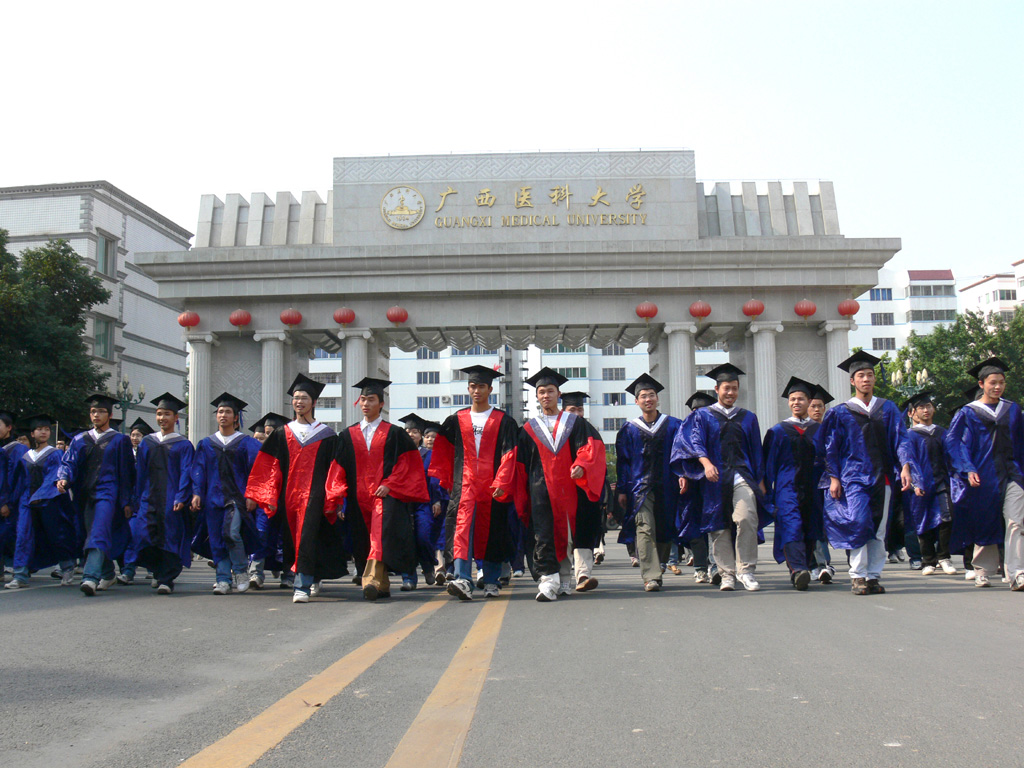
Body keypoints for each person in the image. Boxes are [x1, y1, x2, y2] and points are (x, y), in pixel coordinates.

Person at [493, 370, 605, 601]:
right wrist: (504, 482)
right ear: (537, 396)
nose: (546, 395)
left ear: (558, 394)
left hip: (571, 489)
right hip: (540, 491)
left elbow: (589, 447)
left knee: (568, 536)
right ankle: (548, 582)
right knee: (544, 535)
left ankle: (564, 579)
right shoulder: (528, 429)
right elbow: (517, 462)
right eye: (542, 392)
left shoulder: (575, 424)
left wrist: (582, 464)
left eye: (550, 391)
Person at [815, 351, 917, 595]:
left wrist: (905, 466)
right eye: (861, 375)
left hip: (883, 476)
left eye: (870, 375)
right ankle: (858, 575)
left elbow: (901, 440)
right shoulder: (841, 412)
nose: (866, 379)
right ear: (852, 381)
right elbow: (829, 447)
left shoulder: (888, 408)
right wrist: (834, 477)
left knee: (879, 529)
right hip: (853, 478)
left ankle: (873, 575)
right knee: (859, 523)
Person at [246, 375, 345, 603]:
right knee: (292, 540)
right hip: (288, 496)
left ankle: (302, 585)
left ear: (314, 402)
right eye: (296, 398)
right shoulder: (282, 433)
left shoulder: (327, 435)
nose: (299, 401)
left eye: (304, 398)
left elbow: (335, 468)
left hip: (315, 495)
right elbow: (268, 466)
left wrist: (335, 496)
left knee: (308, 535)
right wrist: (267, 494)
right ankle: (307, 576)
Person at [325, 380, 427, 601]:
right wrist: (338, 495)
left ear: (381, 404)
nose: (365, 404)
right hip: (357, 497)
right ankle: (382, 584)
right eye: (363, 399)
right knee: (361, 541)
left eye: (371, 400)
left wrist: (390, 483)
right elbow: (338, 467)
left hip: (384, 497)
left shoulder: (395, 433)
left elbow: (407, 464)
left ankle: (370, 581)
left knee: (379, 537)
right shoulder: (348, 435)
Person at [672, 364, 768, 593]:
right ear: (717, 389)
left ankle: (746, 570)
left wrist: (761, 481)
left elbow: (756, 451)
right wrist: (706, 463)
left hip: (742, 475)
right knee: (719, 526)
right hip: (714, 478)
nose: (731, 392)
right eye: (727, 388)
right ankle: (726, 574)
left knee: (746, 518)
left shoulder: (748, 417)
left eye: (734, 388)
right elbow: (693, 442)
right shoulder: (702, 416)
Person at [429, 365, 518, 601]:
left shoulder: (503, 421)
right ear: (468, 389)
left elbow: (510, 452)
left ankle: (491, 580)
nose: (476, 390)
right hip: (464, 486)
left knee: (492, 531)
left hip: (492, 487)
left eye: (481, 386)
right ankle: (463, 579)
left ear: (490, 389)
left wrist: (502, 481)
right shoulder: (456, 420)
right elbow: (444, 451)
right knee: (461, 530)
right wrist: (449, 479)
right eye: (472, 386)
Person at [945, 357, 1024, 590]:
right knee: (985, 521)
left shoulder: (1012, 409)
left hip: (1013, 473)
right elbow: (955, 442)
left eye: (1001, 382)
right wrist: (967, 467)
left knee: (1015, 522)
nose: (998, 387)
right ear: (981, 384)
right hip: (984, 474)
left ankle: (1017, 573)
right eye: (993, 383)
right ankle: (981, 569)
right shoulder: (968, 412)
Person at [58, 393, 135, 596]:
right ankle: (108, 573)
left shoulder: (119, 440)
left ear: (109, 415)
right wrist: (63, 478)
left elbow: (127, 473)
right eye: (93, 411)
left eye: (101, 411)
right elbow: (69, 463)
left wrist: (127, 500)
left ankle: (90, 577)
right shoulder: (80, 439)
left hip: (108, 493)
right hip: (84, 493)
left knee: (98, 532)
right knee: (90, 534)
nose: (96, 415)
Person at [616, 373, 682, 592]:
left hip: (668, 485)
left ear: (657, 398)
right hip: (639, 487)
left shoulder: (673, 425)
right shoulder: (629, 429)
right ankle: (651, 576)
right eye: (643, 396)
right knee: (644, 528)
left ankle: (659, 564)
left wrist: (683, 475)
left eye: (651, 395)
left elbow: (682, 454)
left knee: (665, 529)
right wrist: (622, 489)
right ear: (636, 401)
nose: (648, 399)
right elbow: (623, 462)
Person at [191, 393, 262, 595]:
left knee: (231, 533)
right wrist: (197, 493)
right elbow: (199, 470)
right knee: (216, 537)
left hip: (236, 498)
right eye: (220, 411)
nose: (223, 415)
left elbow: (256, 471)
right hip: (213, 498)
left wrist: (252, 495)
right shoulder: (207, 443)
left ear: (236, 417)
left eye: (228, 412)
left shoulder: (246, 443)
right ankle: (222, 579)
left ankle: (240, 571)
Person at [763, 377, 829, 590]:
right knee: (791, 525)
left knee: (811, 528)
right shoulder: (778, 431)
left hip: (814, 488)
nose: (796, 403)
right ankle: (798, 569)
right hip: (787, 488)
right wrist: (766, 489)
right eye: (792, 399)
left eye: (800, 399)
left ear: (809, 402)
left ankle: (805, 567)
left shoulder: (819, 430)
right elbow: (768, 463)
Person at [129, 393, 194, 595]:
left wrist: (181, 496)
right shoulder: (147, 442)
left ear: (176, 417)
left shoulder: (183, 444)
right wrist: (136, 498)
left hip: (171, 498)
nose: (162, 418)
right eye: (159, 414)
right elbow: (140, 472)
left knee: (169, 537)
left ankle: (167, 579)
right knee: (143, 534)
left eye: (166, 414)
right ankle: (157, 570)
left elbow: (186, 472)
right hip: (148, 497)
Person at [6, 415, 78, 588]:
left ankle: (67, 567)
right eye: (39, 429)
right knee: (23, 535)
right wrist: (10, 502)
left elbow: (54, 476)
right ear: (32, 433)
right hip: (26, 502)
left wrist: (41, 494)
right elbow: (18, 481)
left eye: (46, 429)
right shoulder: (26, 456)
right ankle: (20, 575)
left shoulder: (56, 454)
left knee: (57, 535)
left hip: (49, 501)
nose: (43, 432)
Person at [901, 392, 957, 577]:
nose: (926, 410)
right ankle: (928, 560)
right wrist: (915, 483)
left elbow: (952, 456)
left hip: (942, 482)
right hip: (921, 484)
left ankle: (944, 557)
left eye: (928, 406)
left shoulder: (941, 432)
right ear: (913, 413)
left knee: (947, 518)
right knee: (923, 521)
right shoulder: (909, 435)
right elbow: (908, 460)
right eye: (921, 407)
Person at [559, 391, 606, 592]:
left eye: (580, 409)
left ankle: (583, 574)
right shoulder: (557, 430)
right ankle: (563, 578)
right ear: (563, 410)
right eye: (572, 409)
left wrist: (583, 466)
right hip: (562, 489)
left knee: (584, 531)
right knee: (564, 534)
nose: (577, 414)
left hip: (583, 489)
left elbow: (597, 456)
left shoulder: (589, 430)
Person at [396, 413, 442, 589]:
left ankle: (428, 565)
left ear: (421, 435)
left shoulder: (429, 455)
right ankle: (408, 578)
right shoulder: (398, 454)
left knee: (423, 536)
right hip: (403, 503)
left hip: (424, 502)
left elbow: (434, 479)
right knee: (405, 540)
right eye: (407, 431)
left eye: (414, 431)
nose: (410, 434)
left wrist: (436, 500)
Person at [245, 412, 290, 588]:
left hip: (285, 501)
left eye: (271, 433)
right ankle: (256, 574)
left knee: (286, 538)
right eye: (266, 433)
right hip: (264, 502)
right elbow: (255, 477)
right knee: (261, 534)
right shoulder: (261, 453)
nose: (267, 436)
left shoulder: (290, 451)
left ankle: (288, 575)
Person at [675, 392, 716, 585]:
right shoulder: (684, 432)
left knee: (717, 526)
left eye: (702, 410)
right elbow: (678, 457)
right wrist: (682, 476)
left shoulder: (716, 428)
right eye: (694, 410)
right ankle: (700, 568)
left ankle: (716, 566)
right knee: (695, 527)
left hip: (714, 483)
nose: (697, 414)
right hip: (693, 486)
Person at [420, 421, 450, 584]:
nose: (430, 439)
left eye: (434, 437)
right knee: (427, 534)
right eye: (427, 436)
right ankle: (432, 566)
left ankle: (440, 567)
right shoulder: (420, 455)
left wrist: (437, 499)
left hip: (442, 500)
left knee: (442, 534)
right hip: (424, 501)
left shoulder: (442, 454)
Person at [0, 410, 27, 581]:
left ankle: (19, 568)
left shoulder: (18, 449)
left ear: (9, 427)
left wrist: (7, 502)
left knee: (13, 534)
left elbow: (16, 480)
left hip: (12, 502)